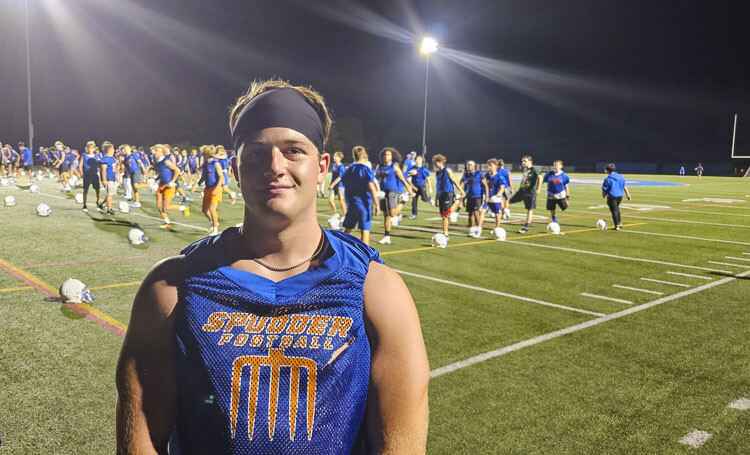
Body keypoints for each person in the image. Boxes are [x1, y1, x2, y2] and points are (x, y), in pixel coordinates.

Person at [116, 79, 429, 454]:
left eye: (294, 150)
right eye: (256, 153)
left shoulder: (376, 290)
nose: (274, 167)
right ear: (235, 167)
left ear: (322, 167)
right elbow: (141, 441)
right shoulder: (172, 288)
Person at [342, 146, 381, 244]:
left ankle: (341, 252)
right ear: (365, 157)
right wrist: (377, 204)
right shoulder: (366, 169)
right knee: (365, 232)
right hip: (364, 204)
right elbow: (371, 187)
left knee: (347, 231)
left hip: (351, 204)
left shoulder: (349, 169)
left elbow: (345, 184)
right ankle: (364, 257)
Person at [375, 147, 414, 245]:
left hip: (392, 191)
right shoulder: (379, 167)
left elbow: (402, 179)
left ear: (392, 157)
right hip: (383, 192)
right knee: (386, 216)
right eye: (384, 155)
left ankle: (404, 200)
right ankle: (387, 237)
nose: (385, 156)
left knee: (392, 214)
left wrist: (410, 191)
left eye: (388, 155)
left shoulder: (394, 167)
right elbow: (375, 179)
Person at [153, 144, 189, 228]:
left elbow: (177, 170)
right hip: (161, 185)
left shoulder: (166, 161)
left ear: (162, 152)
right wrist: (155, 180)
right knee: (159, 205)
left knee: (167, 206)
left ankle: (183, 208)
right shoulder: (158, 162)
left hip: (169, 186)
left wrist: (172, 181)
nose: (154, 153)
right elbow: (162, 173)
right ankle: (167, 222)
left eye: (156, 151)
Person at [191, 144, 224, 236]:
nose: (202, 155)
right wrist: (196, 185)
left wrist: (216, 189)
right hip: (208, 188)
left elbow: (221, 178)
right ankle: (214, 223)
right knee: (205, 210)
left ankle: (215, 229)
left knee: (212, 209)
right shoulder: (205, 164)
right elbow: (203, 177)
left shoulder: (215, 163)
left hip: (215, 188)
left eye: (203, 154)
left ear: (207, 154)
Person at [432, 154, 465, 239]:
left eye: (435, 162)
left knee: (447, 214)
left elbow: (454, 180)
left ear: (440, 162)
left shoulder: (447, 170)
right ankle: (445, 234)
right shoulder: (437, 173)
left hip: (448, 193)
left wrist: (461, 191)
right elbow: (438, 186)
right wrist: (436, 198)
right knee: (443, 216)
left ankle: (457, 200)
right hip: (441, 195)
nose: (434, 164)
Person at [508, 155, 541, 234]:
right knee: (508, 201)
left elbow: (540, 177)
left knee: (529, 209)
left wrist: (538, 188)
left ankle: (526, 227)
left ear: (530, 161)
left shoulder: (534, 169)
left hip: (530, 193)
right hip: (521, 191)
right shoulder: (526, 170)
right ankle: (505, 211)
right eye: (522, 161)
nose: (523, 162)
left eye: (524, 161)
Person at [461, 160, 489, 238]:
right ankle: (472, 229)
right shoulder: (466, 175)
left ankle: (478, 229)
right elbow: (465, 187)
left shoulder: (479, 174)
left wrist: (487, 196)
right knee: (470, 214)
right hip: (469, 197)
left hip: (477, 196)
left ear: (474, 166)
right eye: (468, 165)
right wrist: (463, 198)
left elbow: (486, 185)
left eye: (470, 165)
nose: (469, 166)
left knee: (476, 213)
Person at [602, 163, 631, 231]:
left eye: (605, 170)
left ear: (608, 170)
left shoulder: (607, 179)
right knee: (616, 209)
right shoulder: (620, 176)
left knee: (614, 210)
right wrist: (628, 194)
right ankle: (619, 222)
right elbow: (624, 186)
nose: (605, 171)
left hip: (612, 196)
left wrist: (603, 195)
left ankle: (616, 225)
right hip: (620, 196)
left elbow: (604, 189)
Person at [542, 160, 571, 226]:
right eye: (554, 164)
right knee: (552, 209)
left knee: (564, 207)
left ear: (561, 166)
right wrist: (538, 187)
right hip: (551, 195)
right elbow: (543, 181)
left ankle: (565, 203)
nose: (555, 166)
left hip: (560, 194)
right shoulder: (549, 174)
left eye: (557, 164)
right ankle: (555, 221)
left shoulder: (564, 175)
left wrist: (567, 196)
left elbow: (566, 186)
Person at [79, 143, 103, 213]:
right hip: (87, 175)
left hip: (94, 175)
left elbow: (101, 164)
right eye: (88, 148)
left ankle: (98, 202)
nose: (90, 149)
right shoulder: (84, 155)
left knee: (98, 190)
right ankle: (84, 205)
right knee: (85, 190)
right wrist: (81, 173)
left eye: (91, 148)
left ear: (94, 149)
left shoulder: (97, 155)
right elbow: (80, 165)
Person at [408, 154, 432, 219]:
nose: (417, 160)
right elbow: (407, 175)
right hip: (414, 186)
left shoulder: (423, 169)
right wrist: (411, 173)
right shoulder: (412, 168)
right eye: (416, 159)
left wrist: (430, 188)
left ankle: (429, 199)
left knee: (424, 199)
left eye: (419, 159)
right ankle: (414, 215)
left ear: (422, 162)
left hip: (421, 186)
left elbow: (427, 179)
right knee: (414, 201)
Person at [485, 158, 506, 230]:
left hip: (495, 198)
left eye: (491, 165)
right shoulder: (486, 175)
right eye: (488, 165)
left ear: (496, 166)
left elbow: (502, 188)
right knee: (481, 211)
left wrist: (498, 195)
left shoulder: (499, 176)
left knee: (497, 212)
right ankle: (478, 228)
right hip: (487, 197)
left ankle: (497, 228)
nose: (489, 167)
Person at [100, 142, 120, 215]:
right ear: (109, 150)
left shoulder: (113, 158)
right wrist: (104, 179)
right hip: (108, 179)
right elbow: (103, 170)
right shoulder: (105, 159)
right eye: (113, 149)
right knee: (110, 194)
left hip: (112, 178)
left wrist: (116, 176)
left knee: (111, 193)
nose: (114, 150)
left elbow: (114, 169)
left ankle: (102, 205)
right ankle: (109, 209)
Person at [327, 151, 347, 218]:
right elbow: (333, 176)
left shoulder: (341, 167)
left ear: (340, 158)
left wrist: (332, 184)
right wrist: (331, 184)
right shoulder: (334, 165)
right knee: (330, 200)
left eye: (336, 156)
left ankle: (345, 214)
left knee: (341, 200)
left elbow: (340, 177)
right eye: (334, 156)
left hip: (340, 185)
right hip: (333, 185)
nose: (334, 157)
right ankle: (336, 213)